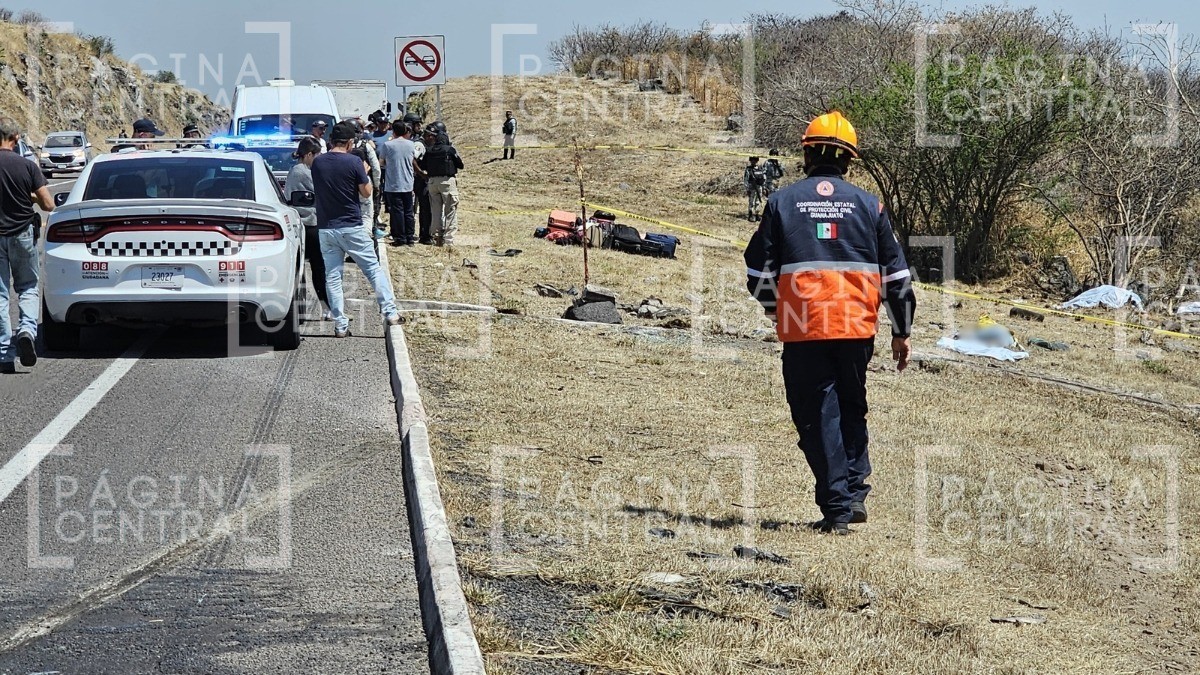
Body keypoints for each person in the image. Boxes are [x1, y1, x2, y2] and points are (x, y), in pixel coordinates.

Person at [743, 111, 915, 536]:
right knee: (851, 405)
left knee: (817, 413)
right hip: (858, 326)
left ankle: (839, 506)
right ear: (848, 160)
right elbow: (896, 276)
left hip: (805, 327)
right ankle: (854, 491)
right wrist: (901, 329)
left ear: (806, 152)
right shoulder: (870, 205)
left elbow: (757, 271)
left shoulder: (782, 202)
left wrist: (774, 308)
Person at [310, 121, 401, 338]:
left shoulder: (318, 162)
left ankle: (340, 324)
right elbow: (366, 193)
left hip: (326, 228)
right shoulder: (354, 162)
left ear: (331, 140)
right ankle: (390, 313)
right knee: (372, 269)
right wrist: (365, 172)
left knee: (332, 276)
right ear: (350, 142)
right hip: (351, 225)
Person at [0, 119, 55, 373]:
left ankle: (4, 354)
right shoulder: (27, 166)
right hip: (22, 233)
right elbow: (48, 205)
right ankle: (26, 331)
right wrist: (28, 194)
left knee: (0, 295)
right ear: (16, 137)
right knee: (28, 287)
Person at [284, 136, 330, 320]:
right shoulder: (303, 172)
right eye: (317, 155)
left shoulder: (297, 170)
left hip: (306, 223)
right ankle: (327, 308)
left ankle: (308, 307)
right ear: (309, 154)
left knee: (307, 268)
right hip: (309, 223)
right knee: (319, 267)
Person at [418, 127, 463, 247]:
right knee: (450, 211)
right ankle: (448, 241)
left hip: (432, 183)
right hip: (447, 181)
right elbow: (460, 164)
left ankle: (437, 238)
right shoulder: (450, 150)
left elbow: (423, 165)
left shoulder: (429, 150)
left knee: (436, 211)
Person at [379, 120, 420, 246]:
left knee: (397, 212)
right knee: (409, 211)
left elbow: (381, 162)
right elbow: (415, 158)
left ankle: (400, 238)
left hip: (393, 183)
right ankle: (410, 237)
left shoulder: (388, 145)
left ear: (393, 131)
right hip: (408, 183)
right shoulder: (411, 144)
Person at [411, 122, 433, 245]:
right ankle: (423, 235)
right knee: (423, 209)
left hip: (424, 180)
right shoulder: (420, 144)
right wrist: (420, 172)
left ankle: (426, 234)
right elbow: (412, 158)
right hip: (419, 180)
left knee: (426, 209)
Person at [743, 156, 766, 221]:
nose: (754, 161)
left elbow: (764, 178)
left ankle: (757, 214)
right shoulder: (749, 169)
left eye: (755, 160)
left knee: (758, 201)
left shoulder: (760, 168)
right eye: (752, 160)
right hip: (751, 187)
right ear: (750, 161)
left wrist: (764, 188)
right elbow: (746, 179)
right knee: (751, 201)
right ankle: (751, 214)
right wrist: (747, 189)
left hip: (759, 187)